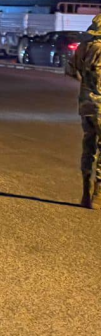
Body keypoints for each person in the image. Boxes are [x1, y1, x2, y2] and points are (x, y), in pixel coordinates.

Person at [66, 13, 101, 209]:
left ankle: (85, 192)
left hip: (86, 106)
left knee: (89, 147)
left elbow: (71, 69)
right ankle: (98, 194)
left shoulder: (84, 48)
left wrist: (86, 87)